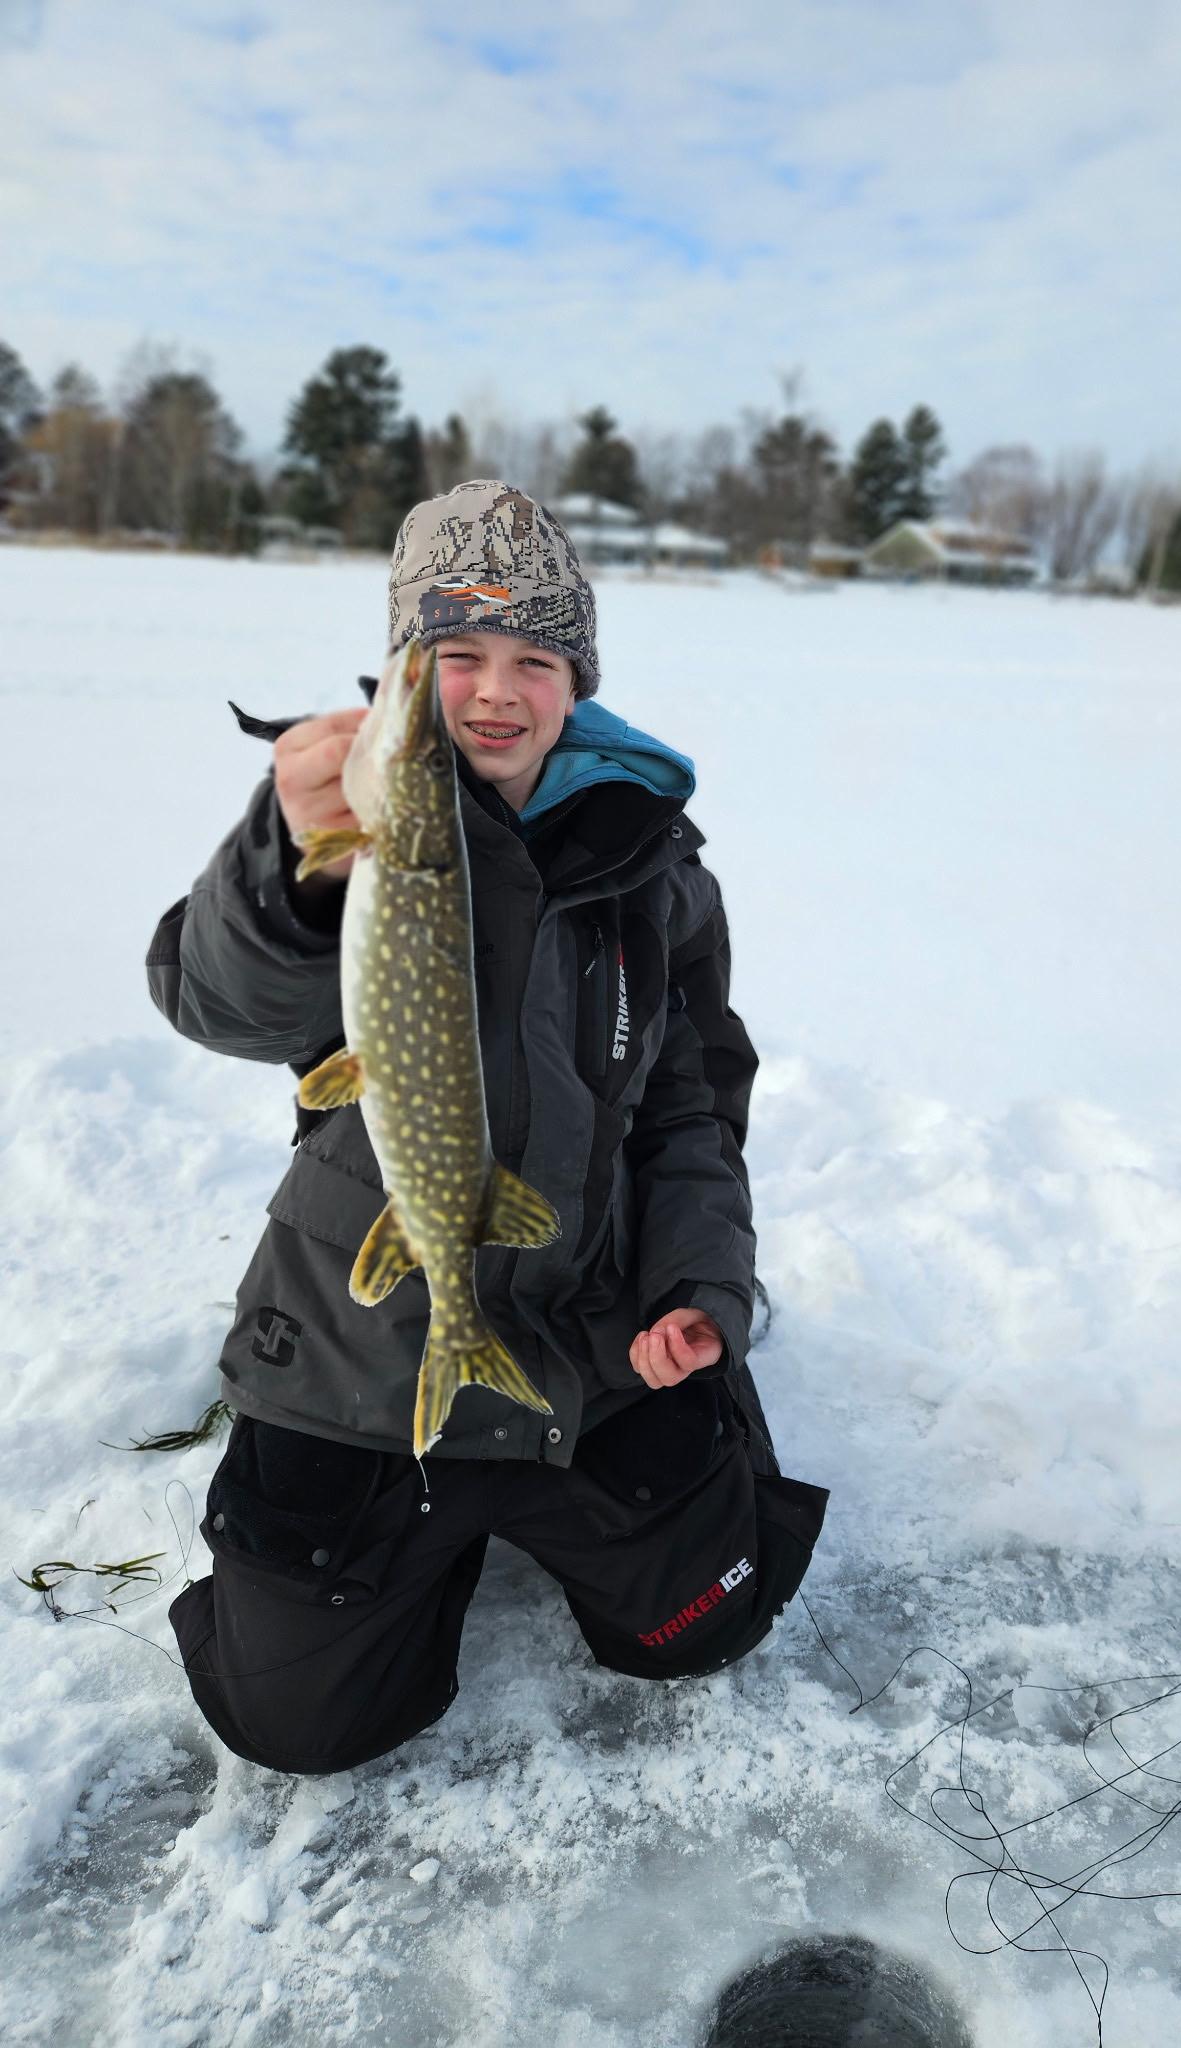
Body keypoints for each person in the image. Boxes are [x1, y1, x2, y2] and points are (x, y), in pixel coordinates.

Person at [147, 479, 828, 1775]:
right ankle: (411, 1549)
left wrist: (699, 1288)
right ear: (412, 669)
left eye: (535, 658)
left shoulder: (652, 862)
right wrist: (285, 864)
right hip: (364, 1354)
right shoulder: (354, 829)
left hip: (589, 1336)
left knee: (703, 1620)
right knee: (296, 1721)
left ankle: (595, 1467)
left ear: (577, 678)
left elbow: (690, 1109)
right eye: (455, 656)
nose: (495, 693)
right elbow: (217, 997)